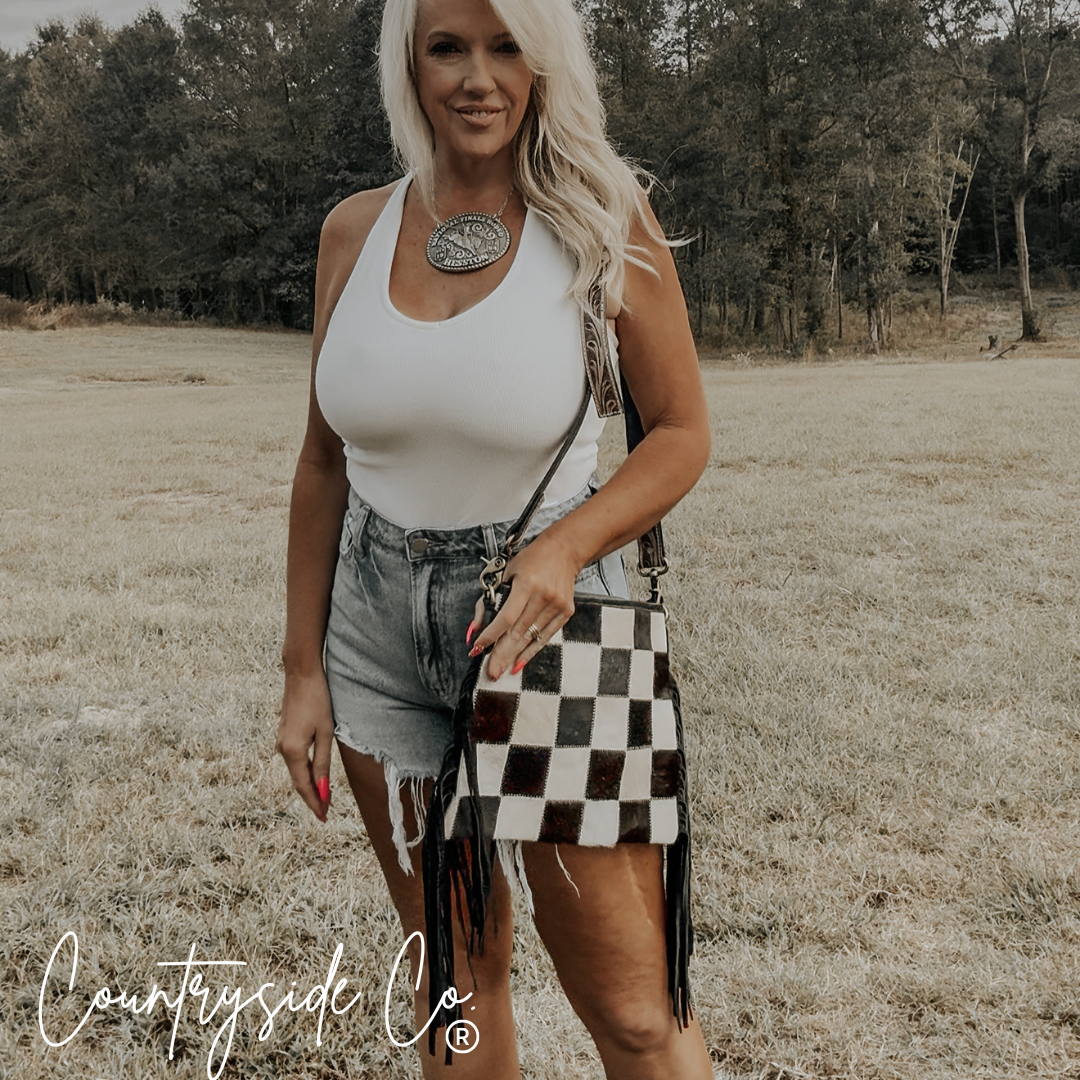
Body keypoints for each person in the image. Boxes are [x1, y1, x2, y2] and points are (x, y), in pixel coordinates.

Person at [275, 0, 712, 1075]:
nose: (478, 77)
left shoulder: (604, 217)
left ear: (545, 60)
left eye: (507, 45)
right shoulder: (354, 230)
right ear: (409, 66)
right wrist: (300, 672)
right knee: (453, 987)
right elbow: (323, 463)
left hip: (545, 628)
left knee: (634, 1010)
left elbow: (684, 436)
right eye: (448, 48)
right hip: (375, 640)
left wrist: (563, 551)